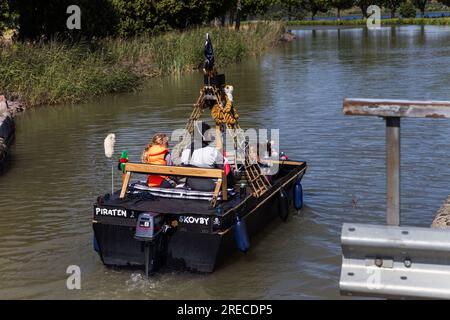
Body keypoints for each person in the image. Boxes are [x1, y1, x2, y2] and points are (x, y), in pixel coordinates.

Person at [181, 122, 232, 191]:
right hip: (210, 187)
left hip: (192, 184)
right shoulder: (213, 152)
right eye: (209, 133)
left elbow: (183, 167)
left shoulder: (185, 151)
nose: (211, 135)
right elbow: (225, 171)